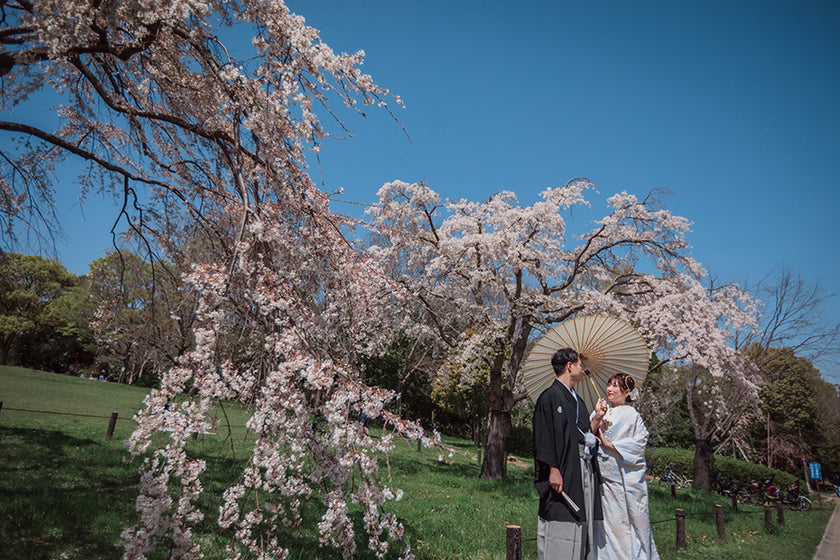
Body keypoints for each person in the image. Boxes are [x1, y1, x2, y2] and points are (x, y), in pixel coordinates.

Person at [533, 347, 603, 560]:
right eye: (581, 365)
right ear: (569, 366)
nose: (584, 369)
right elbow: (543, 437)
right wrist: (553, 469)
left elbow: (582, 434)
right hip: (562, 469)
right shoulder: (549, 397)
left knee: (582, 516)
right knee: (563, 514)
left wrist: (598, 418)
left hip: (582, 469)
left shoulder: (578, 401)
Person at [592, 373, 659, 560]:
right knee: (603, 524)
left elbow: (639, 445)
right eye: (609, 385)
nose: (610, 389)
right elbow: (587, 433)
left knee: (621, 523)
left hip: (621, 479)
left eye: (615, 386)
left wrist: (610, 445)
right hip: (601, 478)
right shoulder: (601, 409)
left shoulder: (631, 414)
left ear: (627, 392)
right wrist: (598, 416)